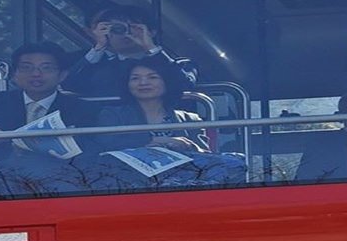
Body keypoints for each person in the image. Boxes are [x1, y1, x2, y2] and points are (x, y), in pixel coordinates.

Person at [0, 42, 106, 196]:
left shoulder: (84, 109)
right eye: (26, 67)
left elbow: (90, 151)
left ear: (62, 75)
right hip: (3, 178)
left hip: (61, 180)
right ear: (14, 74)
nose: (36, 74)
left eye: (46, 68)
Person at [95, 62, 245, 191]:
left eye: (152, 77)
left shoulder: (190, 119)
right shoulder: (112, 114)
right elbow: (107, 145)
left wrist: (187, 146)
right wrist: (155, 141)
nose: (143, 83)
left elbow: (205, 155)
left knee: (235, 162)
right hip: (132, 179)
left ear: (167, 82)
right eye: (135, 78)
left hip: (182, 179)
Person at [62, 4, 196, 102]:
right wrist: (99, 46)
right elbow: (69, 85)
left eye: (134, 27)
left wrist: (150, 47)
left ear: (152, 31)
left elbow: (184, 84)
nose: (126, 34)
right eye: (117, 29)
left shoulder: (180, 65)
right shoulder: (99, 69)